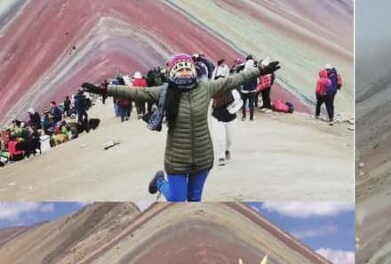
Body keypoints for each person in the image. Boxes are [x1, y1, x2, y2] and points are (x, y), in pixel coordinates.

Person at [81, 54, 280, 202]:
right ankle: (160, 182)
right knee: (177, 201)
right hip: (177, 160)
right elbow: (137, 93)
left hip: (203, 158)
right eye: (180, 69)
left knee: (194, 202)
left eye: (188, 69)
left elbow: (234, 80)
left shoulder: (206, 88)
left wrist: (260, 71)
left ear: (193, 71)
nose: (185, 72)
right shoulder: (165, 92)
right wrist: (106, 89)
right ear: (173, 73)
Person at [209, 64, 240, 167]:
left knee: (229, 138)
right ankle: (221, 156)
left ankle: (227, 149)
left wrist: (232, 109)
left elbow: (240, 103)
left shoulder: (233, 91)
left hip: (230, 117)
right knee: (219, 137)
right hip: (217, 117)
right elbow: (207, 104)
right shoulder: (212, 92)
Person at [239, 56, 259, 121]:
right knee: (251, 104)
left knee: (243, 103)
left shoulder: (243, 72)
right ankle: (251, 118)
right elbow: (258, 81)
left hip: (244, 90)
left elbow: (240, 81)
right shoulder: (255, 73)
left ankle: (244, 116)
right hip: (252, 90)